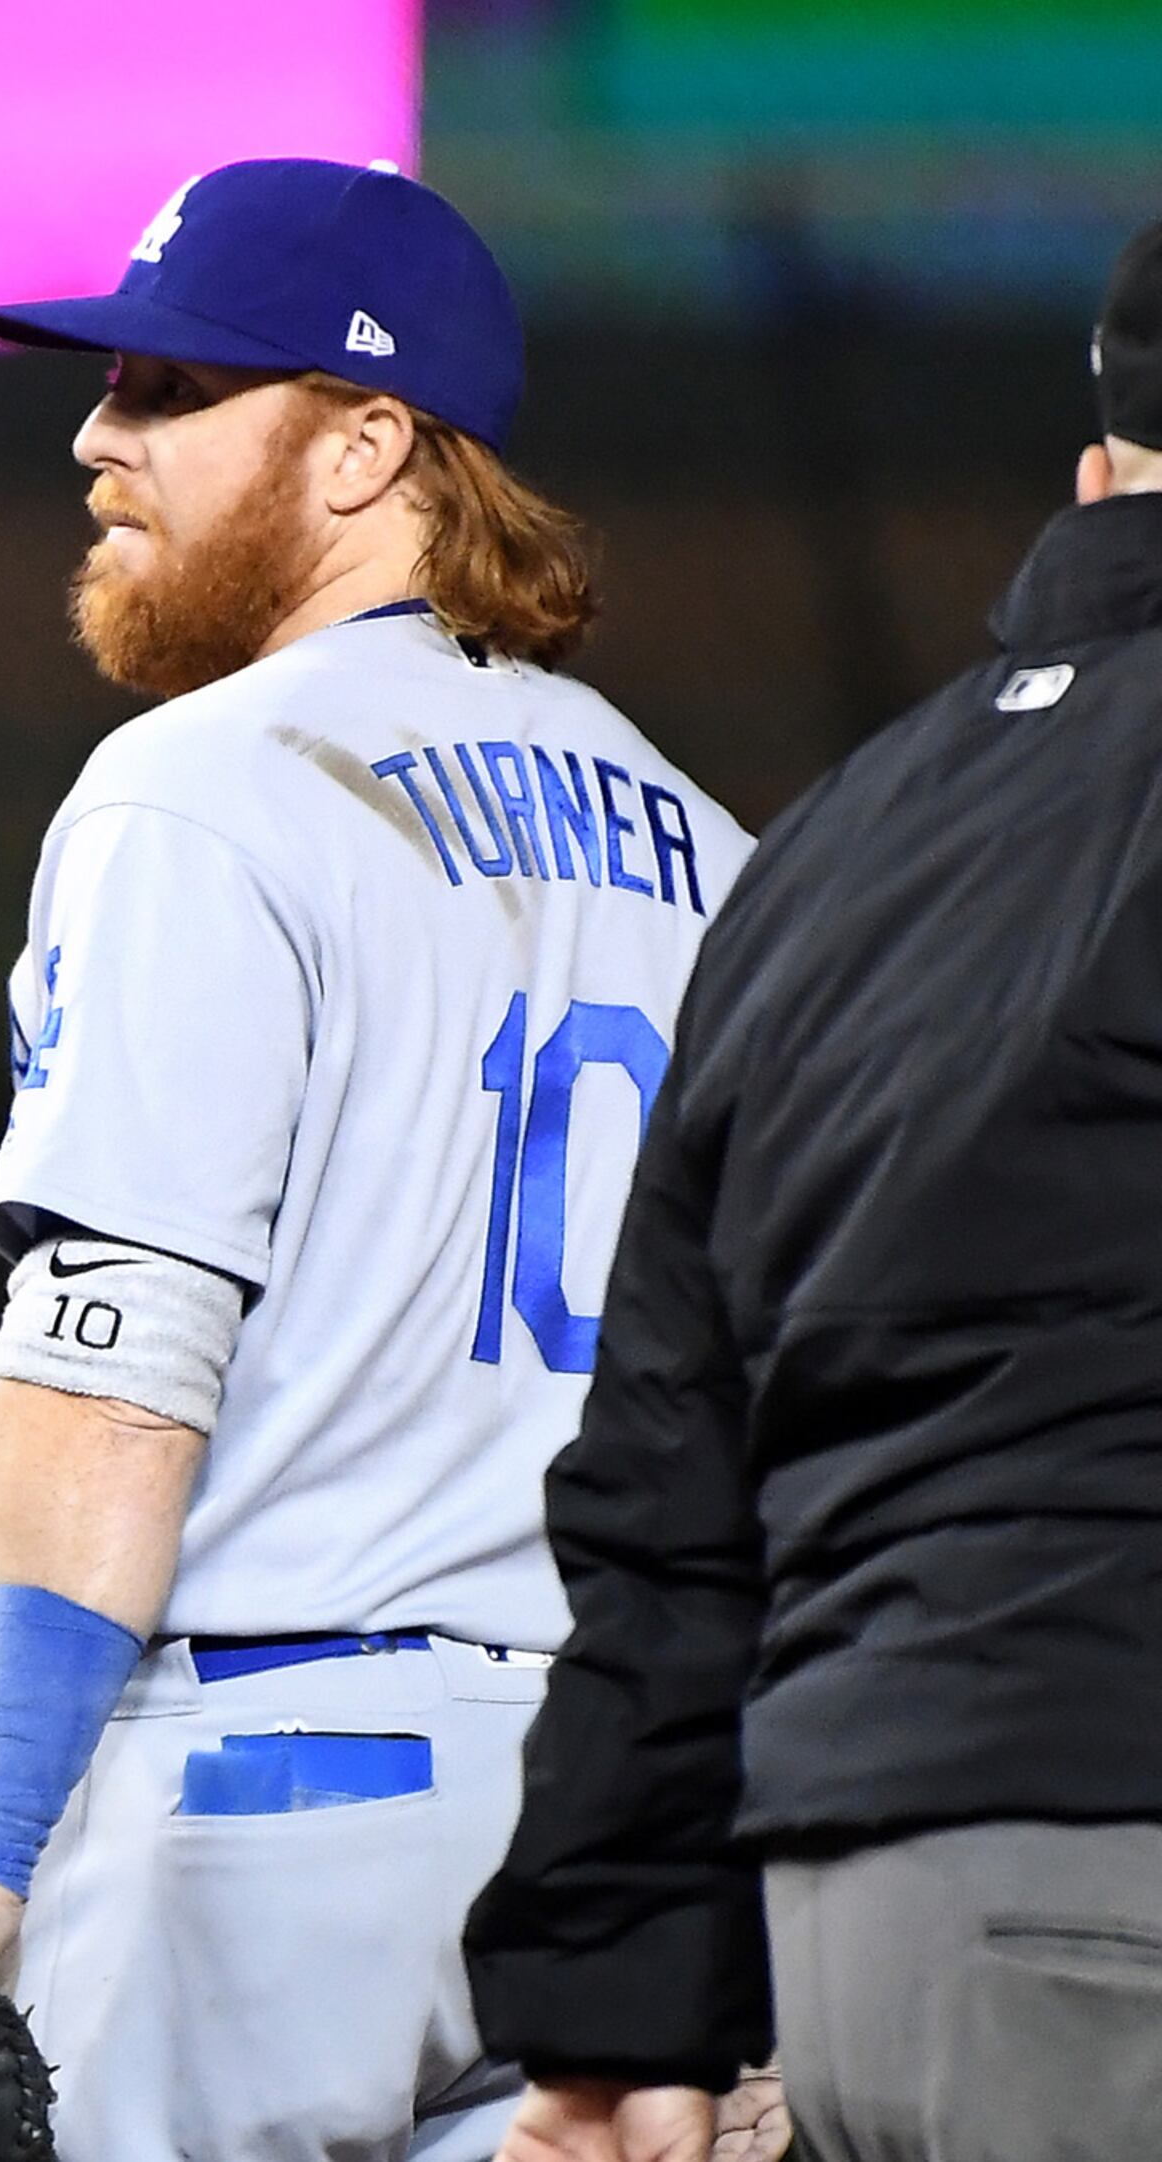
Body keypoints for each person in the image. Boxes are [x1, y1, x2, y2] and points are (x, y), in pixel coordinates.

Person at [0, 160, 751, 2161]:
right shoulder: (715, 853)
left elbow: (109, 1357)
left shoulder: (205, 786)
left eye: (168, 386)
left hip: (257, 1807)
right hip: (614, 1813)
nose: (98, 436)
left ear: (368, 442)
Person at [466, 216, 1162, 2162]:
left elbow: (663, 1479)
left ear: (1100, 471)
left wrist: (615, 2004)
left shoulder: (835, 846)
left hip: (856, 1917)